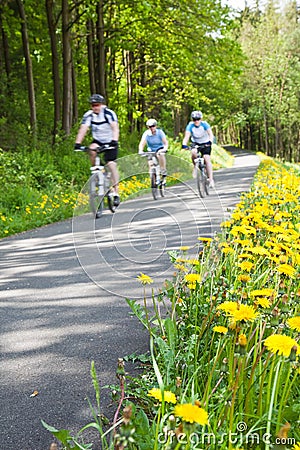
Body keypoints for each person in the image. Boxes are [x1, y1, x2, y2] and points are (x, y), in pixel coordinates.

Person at [74, 94, 120, 207]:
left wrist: (114, 141)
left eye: (97, 105)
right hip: (98, 141)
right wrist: (77, 143)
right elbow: (83, 129)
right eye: (93, 105)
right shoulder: (89, 116)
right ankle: (96, 171)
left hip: (110, 141)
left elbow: (115, 128)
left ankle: (116, 192)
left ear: (102, 104)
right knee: (92, 149)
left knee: (111, 164)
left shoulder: (109, 113)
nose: (95, 107)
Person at [182, 110, 215, 188]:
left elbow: (210, 134)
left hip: (206, 143)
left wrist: (210, 142)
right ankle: (195, 166)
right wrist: (184, 145)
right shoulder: (190, 126)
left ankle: (210, 179)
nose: (196, 121)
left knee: (206, 158)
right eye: (194, 119)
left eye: (198, 119)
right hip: (196, 143)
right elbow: (187, 136)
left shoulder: (205, 124)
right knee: (193, 152)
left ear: (201, 119)